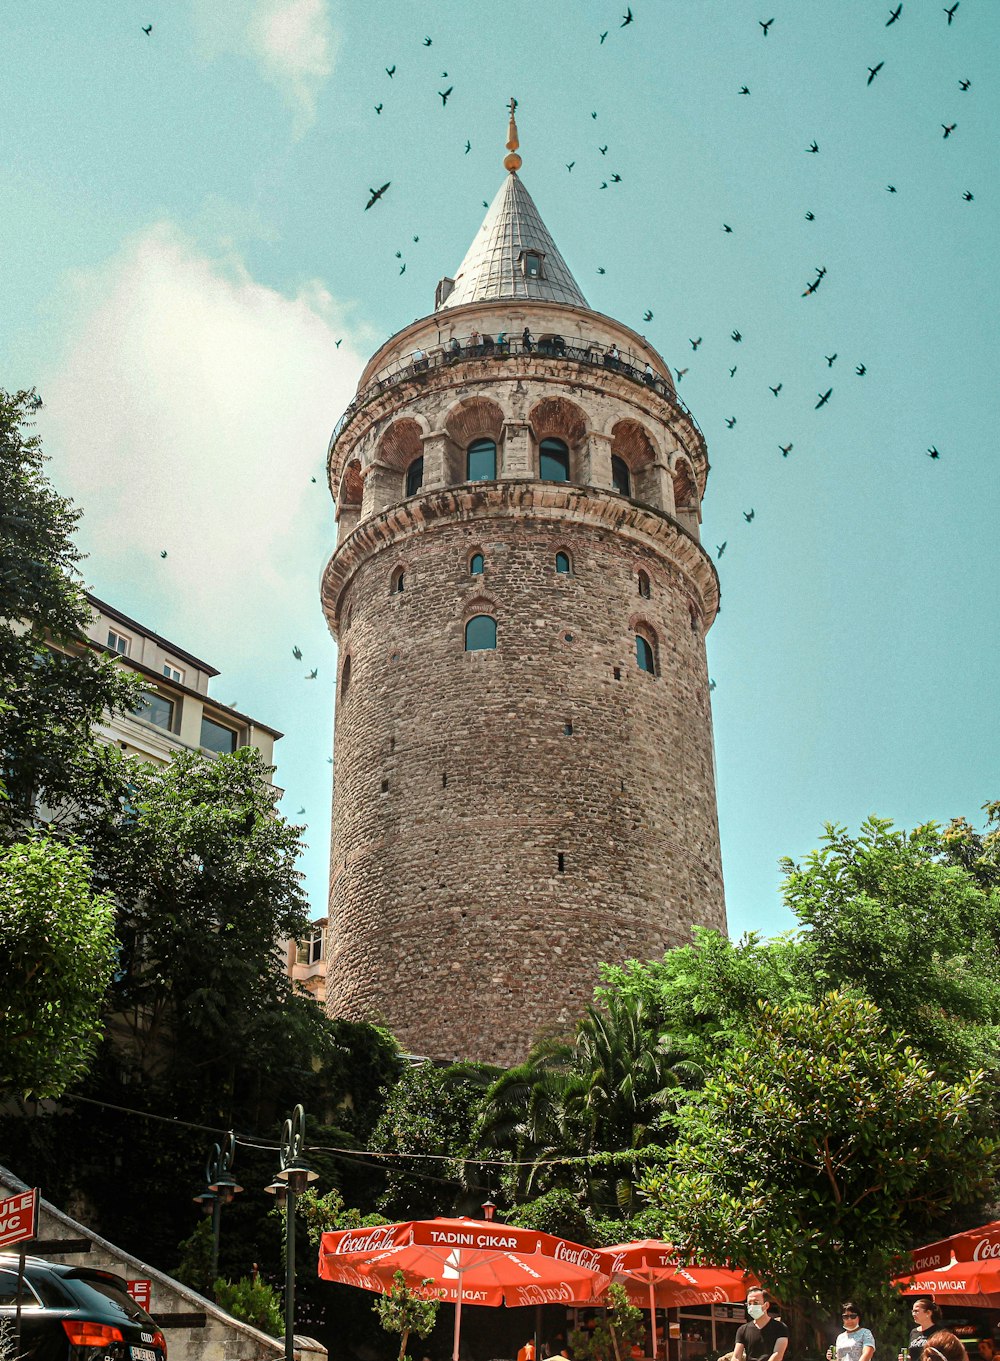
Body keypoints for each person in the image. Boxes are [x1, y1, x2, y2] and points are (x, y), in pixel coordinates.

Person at [733, 1287, 788, 1361]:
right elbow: (736, 1357)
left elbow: (777, 1355)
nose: (752, 1306)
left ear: (766, 1305)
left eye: (756, 1303)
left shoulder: (780, 1328)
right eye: (749, 1303)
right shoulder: (742, 1330)